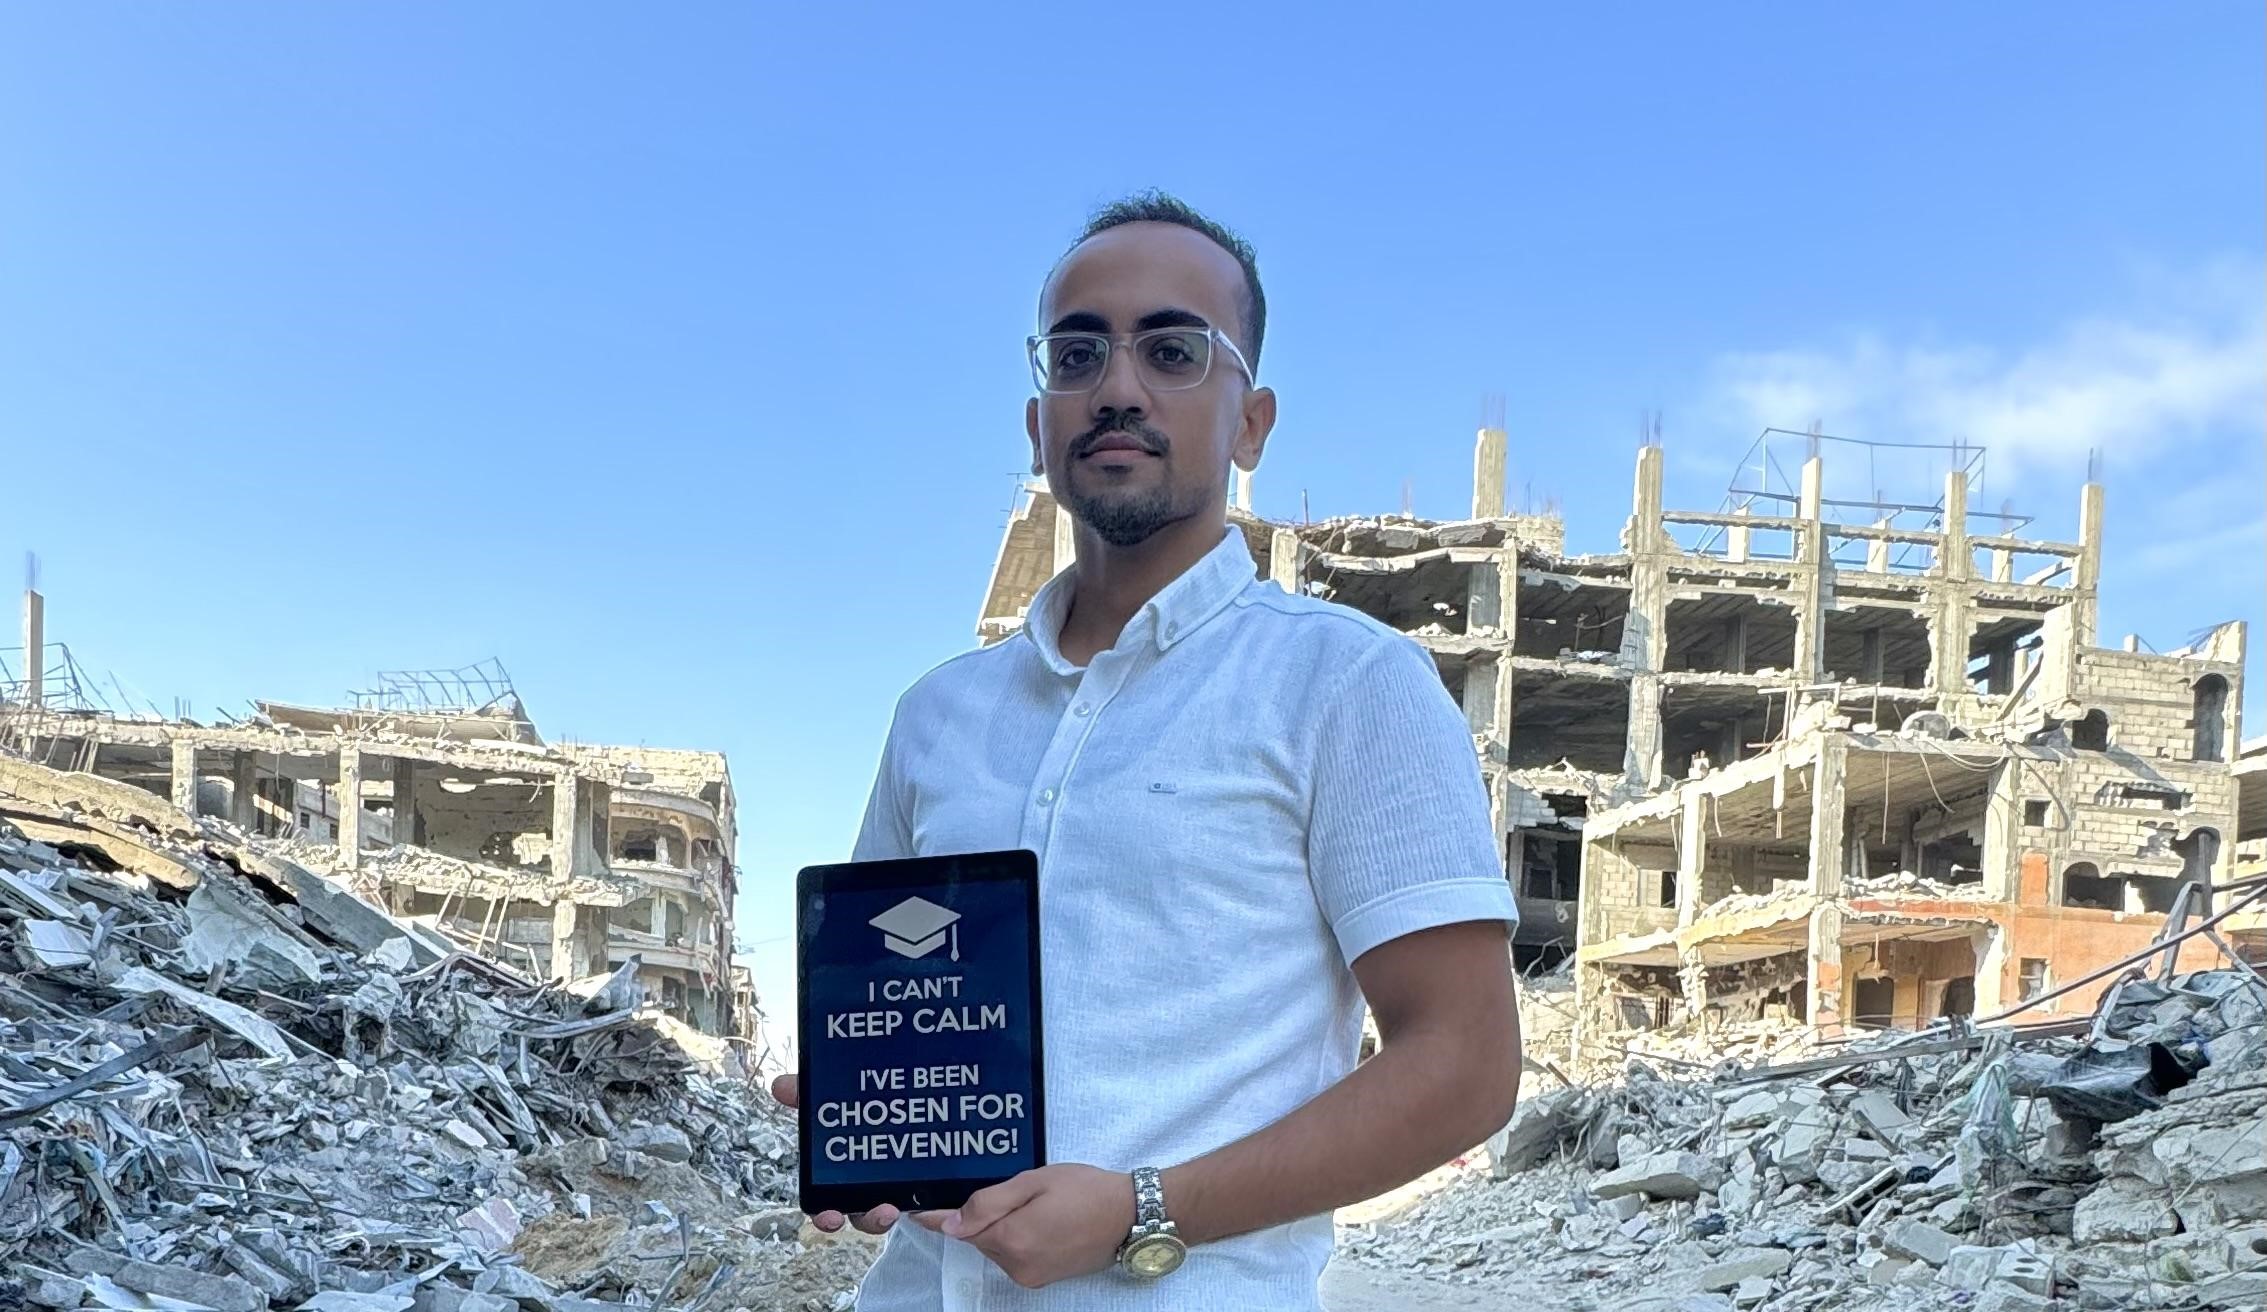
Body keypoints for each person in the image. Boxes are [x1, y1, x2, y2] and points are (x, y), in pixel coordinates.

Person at [772, 192, 1521, 1310]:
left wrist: (1138, 1209)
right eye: (1077, 352)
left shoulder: (1347, 685)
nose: (1116, 386)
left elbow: (1463, 1064)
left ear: (1251, 422)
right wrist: (867, 1119)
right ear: (1038, 421)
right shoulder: (937, 714)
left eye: (1171, 349)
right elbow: (896, 996)